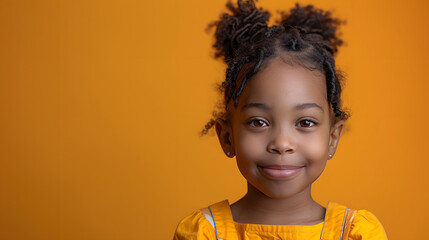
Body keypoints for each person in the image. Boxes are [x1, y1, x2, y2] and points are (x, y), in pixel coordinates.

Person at [174, 0, 388, 239]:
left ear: (333, 137)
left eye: (305, 122)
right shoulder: (203, 232)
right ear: (227, 136)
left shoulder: (355, 233)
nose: (282, 143)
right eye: (259, 122)